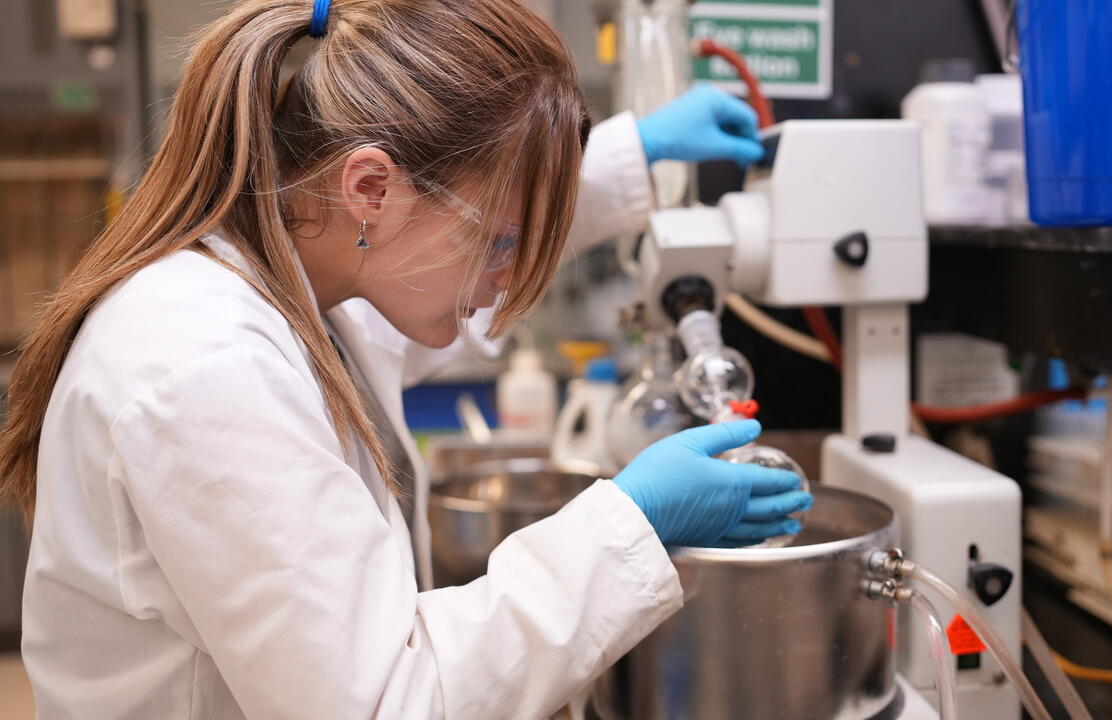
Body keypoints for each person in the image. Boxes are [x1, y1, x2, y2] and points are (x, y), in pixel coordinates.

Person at [0, 1, 812, 718]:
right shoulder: (204, 366)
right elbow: (386, 700)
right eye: (500, 244)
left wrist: (635, 150)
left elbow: (449, 244)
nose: (506, 282)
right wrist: (633, 522)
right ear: (370, 191)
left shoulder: (295, 288)